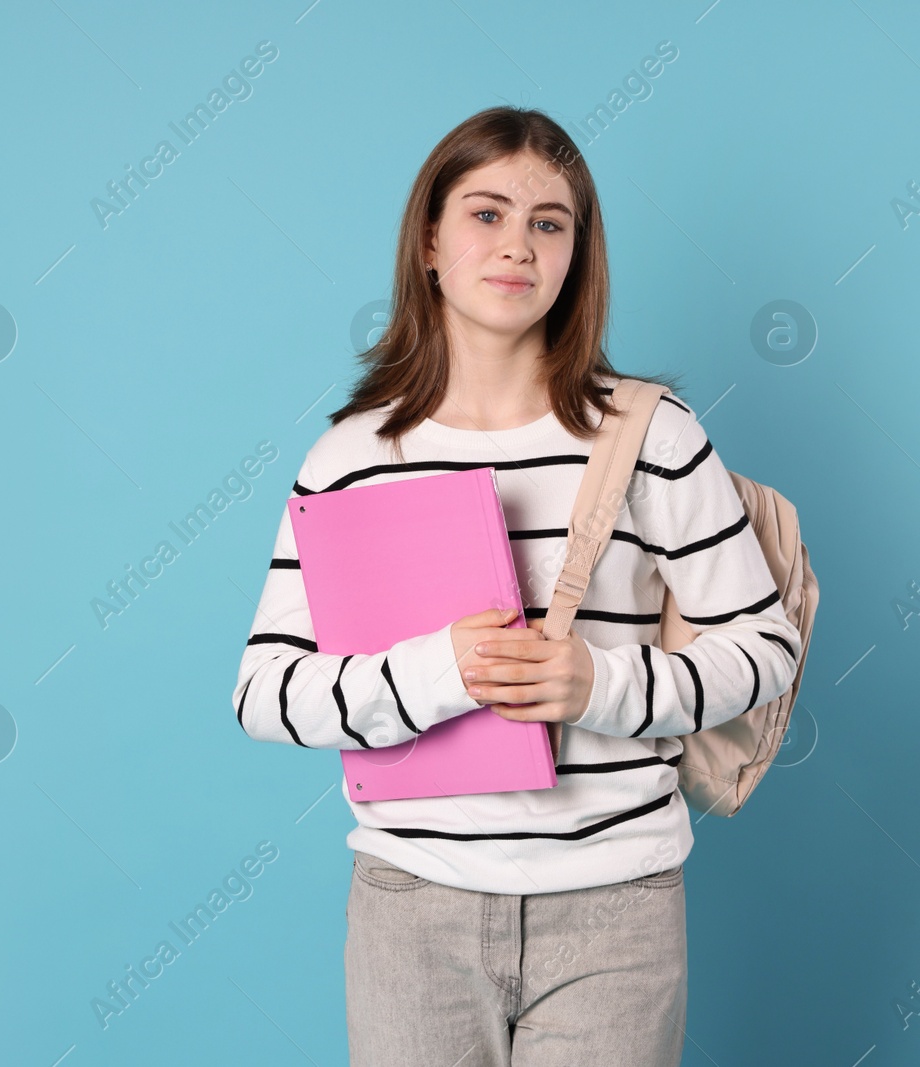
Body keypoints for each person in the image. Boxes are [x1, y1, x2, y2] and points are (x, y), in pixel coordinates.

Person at [230, 106, 802, 1066]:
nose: (517, 245)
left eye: (549, 222)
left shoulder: (653, 437)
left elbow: (764, 648)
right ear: (429, 244)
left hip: (618, 911)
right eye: (486, 213)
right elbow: (265, 692)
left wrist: (600, 686)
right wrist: (442, 671)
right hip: (412, 910)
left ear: (577, 253)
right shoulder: (351, 458)